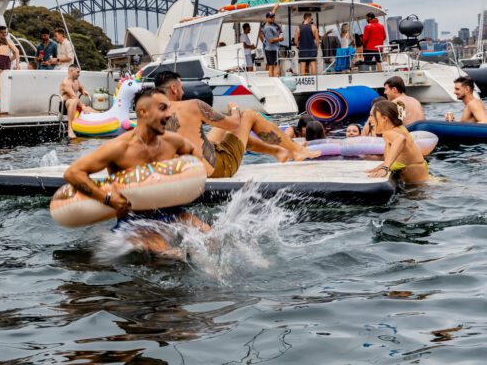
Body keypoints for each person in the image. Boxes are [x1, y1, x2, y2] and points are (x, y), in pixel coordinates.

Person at [63, 87, 209, 256]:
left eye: (169, 108)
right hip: (135, 221)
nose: (169, 114)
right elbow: (73, 173)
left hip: (172, 212)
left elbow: (195, 153)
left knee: (209, 236)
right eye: (163, 108)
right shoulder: (119, 148)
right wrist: (106, 198)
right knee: (170, 255)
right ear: (143, 112)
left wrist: (196, 180)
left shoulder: (172, 141)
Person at [154, 71, 318, 178]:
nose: (183, 92)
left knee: (221, 127)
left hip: (189, 169)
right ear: (174, 88)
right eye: (181, 87)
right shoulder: (193, 105)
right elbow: (233, 125)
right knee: (248, 115)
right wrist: (233, 109)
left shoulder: (151, 114)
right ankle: (297, 151)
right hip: (217, 169)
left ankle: (278, 151)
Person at [367, 100, 430, 183]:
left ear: (384, 118)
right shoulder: (400, 129)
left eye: (372, 115)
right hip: (425, 183)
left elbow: (400, 139)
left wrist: (385, 168)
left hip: (419, 189)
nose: (369, 119)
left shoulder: (389, 133)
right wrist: (374, 170)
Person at [60, 65, 96, 139]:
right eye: (78, 72)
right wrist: (83, 106)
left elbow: (81, 88)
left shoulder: (76, 81)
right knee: (73, 101)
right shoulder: (66, 83)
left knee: (92, 110)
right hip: (65, 106)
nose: (79, 74)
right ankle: (70, 129)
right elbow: (74, 97)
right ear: (71, 71)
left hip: (76, 105)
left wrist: (83, 91)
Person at [258, 10, 282, 77]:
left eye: (273, 17)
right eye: (270, 17)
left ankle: (272, 80)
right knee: (275, 65)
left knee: (271, 65)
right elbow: (271, 40)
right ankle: (276, 80)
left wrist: (276, 7)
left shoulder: (270, 25)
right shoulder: (268, 27)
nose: (272, 18)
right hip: (272, 49)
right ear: (267, 18)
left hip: (269, 49)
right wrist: (280, 38)